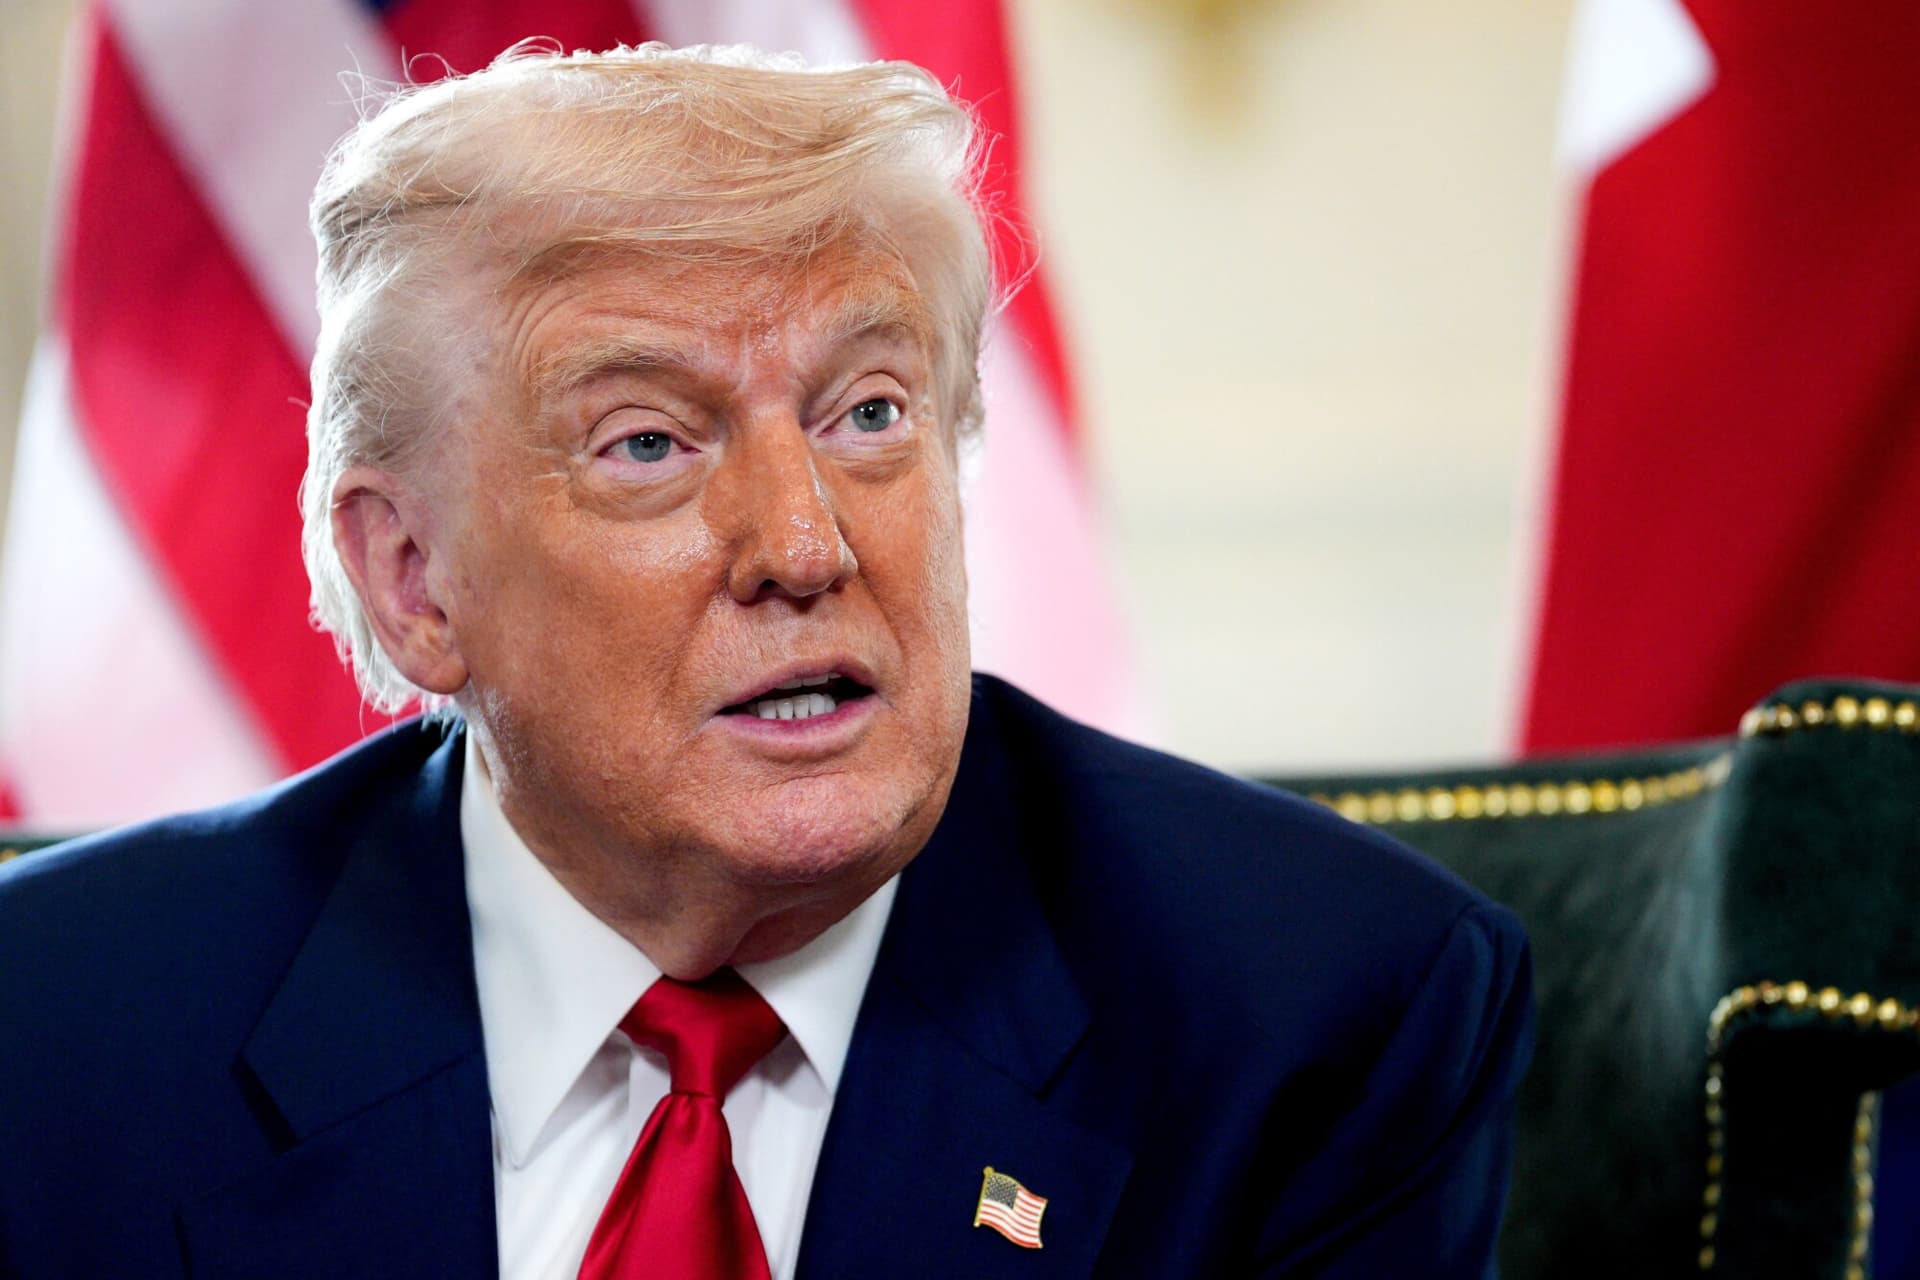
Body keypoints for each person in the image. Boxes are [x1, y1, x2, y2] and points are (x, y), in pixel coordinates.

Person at [0, 43, 1532, 1279]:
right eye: (650, 443)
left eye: (869, 415)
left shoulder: (1309, 1019)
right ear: (413, 582)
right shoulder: (61, 1034)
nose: (805, 545)